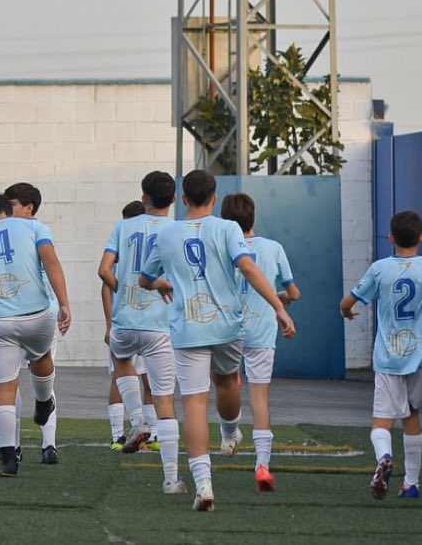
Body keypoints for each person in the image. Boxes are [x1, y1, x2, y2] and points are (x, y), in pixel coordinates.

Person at [138, 169, 296, 512]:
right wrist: (278, 309)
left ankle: (204, 485)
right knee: (227, 381)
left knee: (193, 403)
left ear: (183, 199)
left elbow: (144, 279)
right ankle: (228, 434)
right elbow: (250, 269)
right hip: (226, 325)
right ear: (213, 198)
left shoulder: (166, 235)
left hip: (187, 328)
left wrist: (161, 284)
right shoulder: (228, 229)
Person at [340, 210, 422, 501]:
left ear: (391, 238)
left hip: (389, 357)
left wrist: (346, 311)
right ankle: (411, 483)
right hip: (421, 355)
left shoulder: (380, 269)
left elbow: (348, 300)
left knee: (382, 422)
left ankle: (385, 456)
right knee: (412, 414)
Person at [0, 193, 71, 478]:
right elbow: (51, 262)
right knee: (41, 357)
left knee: (3, 387)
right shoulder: (34, 227)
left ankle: (9, 460)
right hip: (36, 314)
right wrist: (63, 303)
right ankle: (43, 400)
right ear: (8, 212)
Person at [98, 172, 184, 494]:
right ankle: (171, 479)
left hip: (125, 321)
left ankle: (136, 421)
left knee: (122, 360)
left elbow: (103, 270)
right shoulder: (177, 230)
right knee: (165, 401)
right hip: (161, 326)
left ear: (143, 197)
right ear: (174, 199)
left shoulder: (123, 226)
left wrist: (121, 290)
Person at [218, 192, 302, 492]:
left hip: (227, 329)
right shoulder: (273, 248)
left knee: (225, 385)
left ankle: (229, 434)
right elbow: (293, 292)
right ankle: (262, 464)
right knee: (260, 397)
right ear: (253, 216)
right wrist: (278, 300)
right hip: (261, 332)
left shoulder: (222, 246)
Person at [103, 199, 159, 451]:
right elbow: (106, 283)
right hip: (148, 320)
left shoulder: (123, 238)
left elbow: (105, 278)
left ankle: (144, 432)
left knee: (129, 374)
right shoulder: (159, 236)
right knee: (142, 377)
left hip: (130, 319)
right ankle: (124, 433)